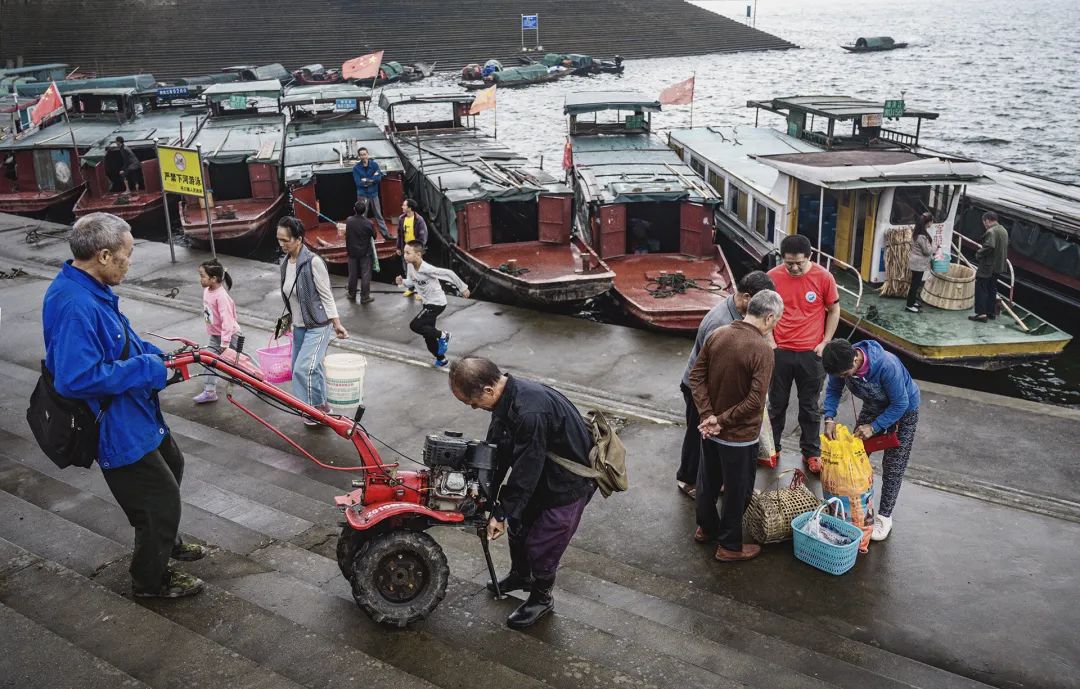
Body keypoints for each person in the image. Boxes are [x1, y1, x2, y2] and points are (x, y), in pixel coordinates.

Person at [42, 212, 205, 598]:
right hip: (114, 424)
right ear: (103, 255)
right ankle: (150, 580)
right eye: (126, 254)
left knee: (173, 464)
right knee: (158, 500)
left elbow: (122, 341)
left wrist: (161, 357)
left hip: (136, 411)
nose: (129, 263)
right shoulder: (74, 306)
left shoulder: (90, 289)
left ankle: (165, 539)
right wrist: (148, 367)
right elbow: (74, 378)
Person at [448, 356, 596, 628]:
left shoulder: (530, 411)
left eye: (472, 402)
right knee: (519, 527)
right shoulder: (506, 398)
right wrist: (484, 493)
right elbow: (499, 448)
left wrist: (501, 512)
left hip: (566, 484)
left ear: (489, 390)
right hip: (542, 475)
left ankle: (541, 598)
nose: (473, 408)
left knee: (543, 544)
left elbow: (527, 468)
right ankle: (521, 575)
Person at [689, 290, 783, 562]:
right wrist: (720, 420)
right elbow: (755, 401)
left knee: (708, 482)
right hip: (739, 436)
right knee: (737, 490)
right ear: (768, 317)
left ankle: (706, 528)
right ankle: (730, 545)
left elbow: (696, 377)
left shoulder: (717, 334)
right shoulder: (762, 349)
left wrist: (709, 416)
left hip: (710, 431)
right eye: (776, 320)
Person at [677, 270, 775, 498]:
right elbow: (708, 373)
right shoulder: (719, 323)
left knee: (718, 434)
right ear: (747, 298)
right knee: (699, 435)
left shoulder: (744, 315)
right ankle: (687, 479)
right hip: (700, 387)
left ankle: (717, 481)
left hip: (718, 382)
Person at [821, 338, 921, 541]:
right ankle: (854, 504)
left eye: (844, 375)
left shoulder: (886, 365)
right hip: (874, 405)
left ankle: (885, 516)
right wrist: (829, 418)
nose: (842, 378)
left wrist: (874, 427)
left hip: (904, 410)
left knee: (893, 465)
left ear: (855, 360)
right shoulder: (840, 364)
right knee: (854, 455)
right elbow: (833, 390)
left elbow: (900, 403)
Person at [767, 234, 840, 473]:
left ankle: (811, 452)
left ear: (809, 257)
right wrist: (770, 340)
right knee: (776, 404)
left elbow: (833, 309)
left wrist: (825, 342)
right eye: (789, 263)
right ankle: (772, 449)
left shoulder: (823, 277)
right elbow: (763, 311)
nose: (794, 268)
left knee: (809, 406)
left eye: (799, 262)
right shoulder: (773, 278)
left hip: (811, 353)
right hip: (781, 351)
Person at [276, 216, 349, 425]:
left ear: (299, 239)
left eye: (285, 240)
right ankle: (323, 405)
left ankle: (310, 411)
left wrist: (336, 324)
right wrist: (288, 320)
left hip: (318, 325)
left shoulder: (314, 262)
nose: (281, 244)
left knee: (303, 369)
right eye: (279, 240)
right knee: (313, 368)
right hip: (299, 326)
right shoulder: (285, 264)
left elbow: (326, 296)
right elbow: (289, 295)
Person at [395, 240, 469, 368]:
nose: (405, 255)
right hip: (427, 303)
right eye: (404, 252)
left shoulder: (427, 269)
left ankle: (444, 335)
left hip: (437, 303)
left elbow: (448, 273)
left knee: (415, 325)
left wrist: (463, 288)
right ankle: (441, 359)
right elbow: (412, 282)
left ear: (418, 254)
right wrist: (402, 282)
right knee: (428, 335)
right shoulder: (410, 266)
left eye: (408, 253)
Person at [194, 258, 240, 404]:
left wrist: (225, 341)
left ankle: (260, 380)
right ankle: (209, 391)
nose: (200, 279)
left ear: (213, 279)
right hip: (216, 335)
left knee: (242, 361)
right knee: (210, 361)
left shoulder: (221, 296)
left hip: (230, 336)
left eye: (202, 276)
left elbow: (228, 320)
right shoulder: (208, 290)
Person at [971, 211, 1009, 323]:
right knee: (992, 288)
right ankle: (990, 312)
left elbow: (990, 246)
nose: (984, 225)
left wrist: (979, 253)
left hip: (988, 265)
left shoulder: (991, 231)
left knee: (981, 288)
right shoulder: (1004, 231)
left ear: (987, 220)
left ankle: (981, 314)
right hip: (999, 266)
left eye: (984, 222)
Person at [351, 147, 391, 240]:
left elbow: (378, 179)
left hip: (374, 194)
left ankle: (386, 234)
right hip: (362, 195)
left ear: (367, 154)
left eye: (364, 154)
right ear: (359, 156)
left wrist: (366, 181)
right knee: (362, 216)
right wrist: (372, 180)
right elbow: (358, 183)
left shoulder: (375, 165)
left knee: (378, 214)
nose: (363, 156)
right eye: (361, 155)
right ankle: (362, 236)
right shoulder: (356, 168)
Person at [345, 198, 376, 304]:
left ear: (354, 209)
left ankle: (351, 293)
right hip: (365, 252)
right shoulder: (369, 223)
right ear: (365, 210)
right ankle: (365, 297)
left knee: (352, 274)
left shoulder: (349, 221)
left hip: (352, 252)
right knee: (365, 274)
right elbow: (374, 236)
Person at [397, 199, 428, 297]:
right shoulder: (401, 219)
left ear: (410, 208)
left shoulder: (419, 220)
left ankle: (421, 291)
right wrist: (398, 247)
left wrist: (418, 250)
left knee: (418, 271)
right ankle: (411, 288)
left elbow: (423, 236)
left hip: (415, 250)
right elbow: (399, 235)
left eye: (404, 205)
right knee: (407, 270)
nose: (402, 207)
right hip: (406, 249)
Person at [906, 212, 934, 313]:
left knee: (915, 283)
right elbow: (927, 251)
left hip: (915, 262)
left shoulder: (917, 232)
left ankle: (912, 302)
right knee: (915, 284)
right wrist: (935, 248)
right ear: (928, 222)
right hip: (918, 263)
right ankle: (909, 305)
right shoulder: (922, 236)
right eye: (931, 221)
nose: (932, 223)